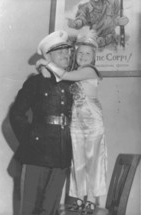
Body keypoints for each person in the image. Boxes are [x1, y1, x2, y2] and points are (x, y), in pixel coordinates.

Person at [36, 30, 107, 214]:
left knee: (93, 159)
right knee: (78, 160)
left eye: (88, 54)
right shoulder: (74, 70)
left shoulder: (90, 70)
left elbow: (63, 76)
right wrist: (43, 67)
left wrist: (46, 63)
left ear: (93, 57)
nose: (83, 56)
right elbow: (58, 76)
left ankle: (91, 199)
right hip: (75, 119)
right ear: (75, 53)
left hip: (92, 120)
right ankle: (78, 198)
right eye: (80, 53)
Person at [9, 30, 74, 215]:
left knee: (50, 209)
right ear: (48, 56)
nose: (66, 55)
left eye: (67, 51)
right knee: (29, 209)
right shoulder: (36, 82)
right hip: (35, 155)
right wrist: (30, 141)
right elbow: (16, 114)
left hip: (62, 154)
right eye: (60, 52)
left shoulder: (72, 84)